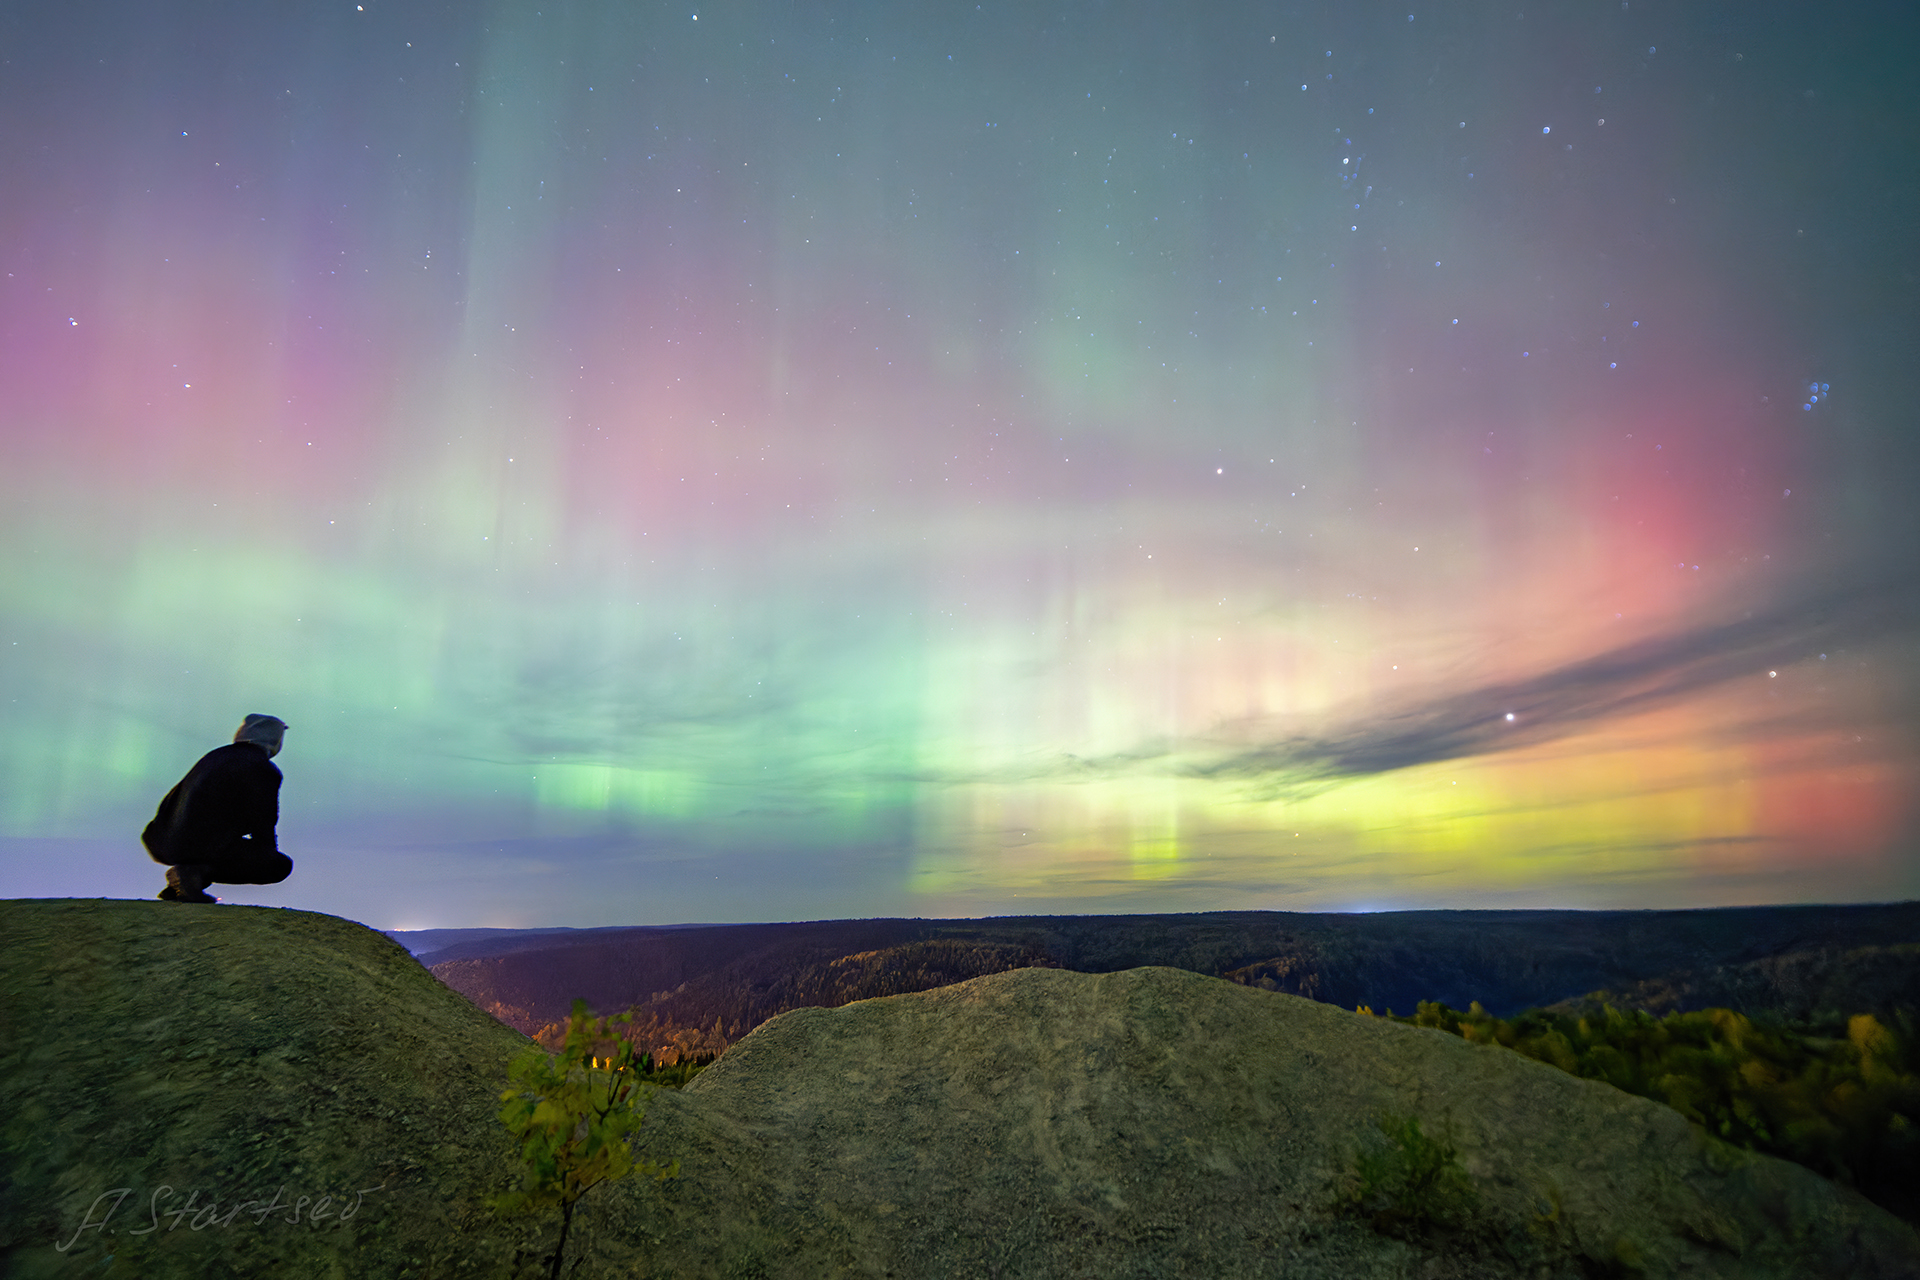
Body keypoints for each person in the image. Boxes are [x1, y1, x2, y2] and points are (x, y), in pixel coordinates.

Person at [142, 714, 293, 903]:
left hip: (162, 841)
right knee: (279, 866)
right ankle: (192, 874)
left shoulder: (215, 756)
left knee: (217, 842)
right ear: (275, 739)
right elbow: (263, 820)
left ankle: (180, 886)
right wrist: (267, 855)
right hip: (197, 844)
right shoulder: (262, 768)